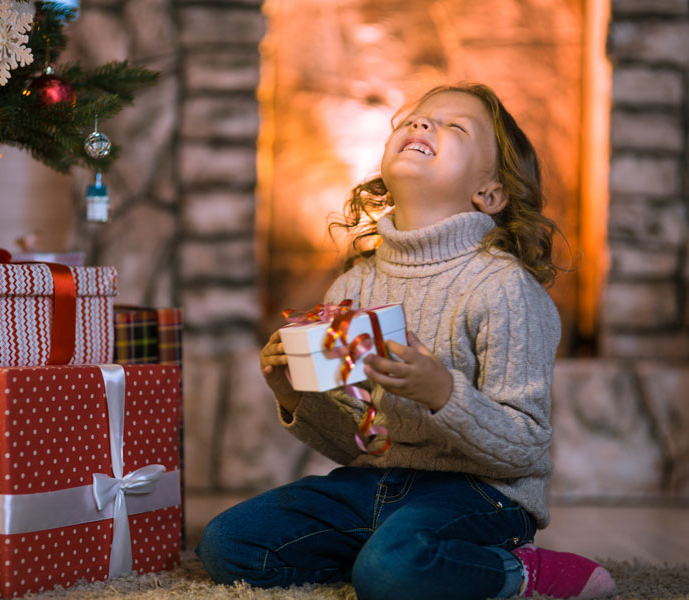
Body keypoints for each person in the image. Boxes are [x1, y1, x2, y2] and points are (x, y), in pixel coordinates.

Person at [196, 82, 617, 600]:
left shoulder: (505, 290)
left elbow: (526, 447)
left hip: (482, 494)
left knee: (392, 570)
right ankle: (404, 563)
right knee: (227, 544)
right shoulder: (353, 286)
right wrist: (293, 393)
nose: (420, 125)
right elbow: (357, 444)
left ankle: (521, 572)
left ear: (489, 193)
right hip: (375, 484)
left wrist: (443, 392)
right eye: (413, 119)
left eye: (453, 126)